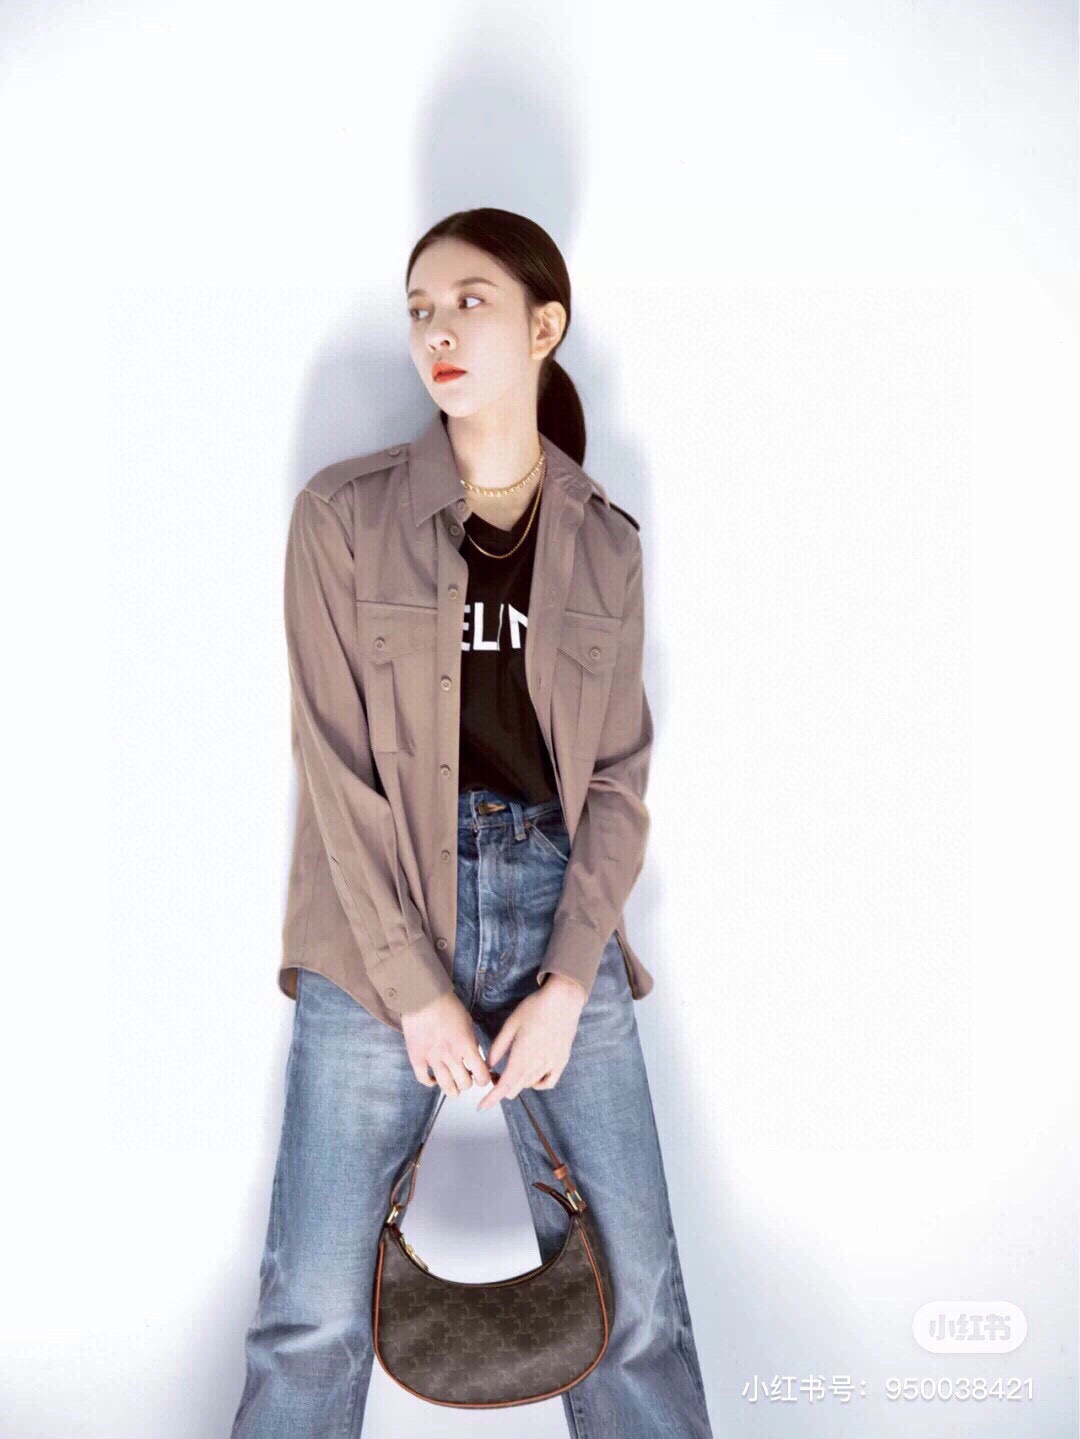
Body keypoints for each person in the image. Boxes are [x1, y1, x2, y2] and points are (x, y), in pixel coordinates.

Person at [230, 207, 714, 1436]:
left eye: (469, 302)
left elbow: (616, 782)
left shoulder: (606, 541)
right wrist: (413, 988)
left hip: (559, 907)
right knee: (313, 1313)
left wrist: (570, 977)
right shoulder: (342, 516)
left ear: (545, 325)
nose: (437, 331)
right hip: (375, 915)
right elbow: (333, 767)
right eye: (419, 311)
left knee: (640, 1308)